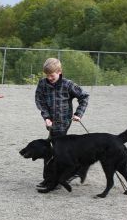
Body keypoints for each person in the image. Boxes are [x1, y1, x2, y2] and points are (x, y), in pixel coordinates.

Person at [35, 58, 89, 188]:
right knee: (53, 149)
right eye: (47, 75)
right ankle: (54, 177)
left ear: (59, 72)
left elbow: (84, 97)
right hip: (50, 122)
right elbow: (39, 100)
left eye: (52, 75)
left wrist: (78, 114)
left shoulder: (68, 84)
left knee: (54, 150)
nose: (49, 78)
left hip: (63, 122)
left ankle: (55, 179)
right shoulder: (42, 84)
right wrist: (46, 117)